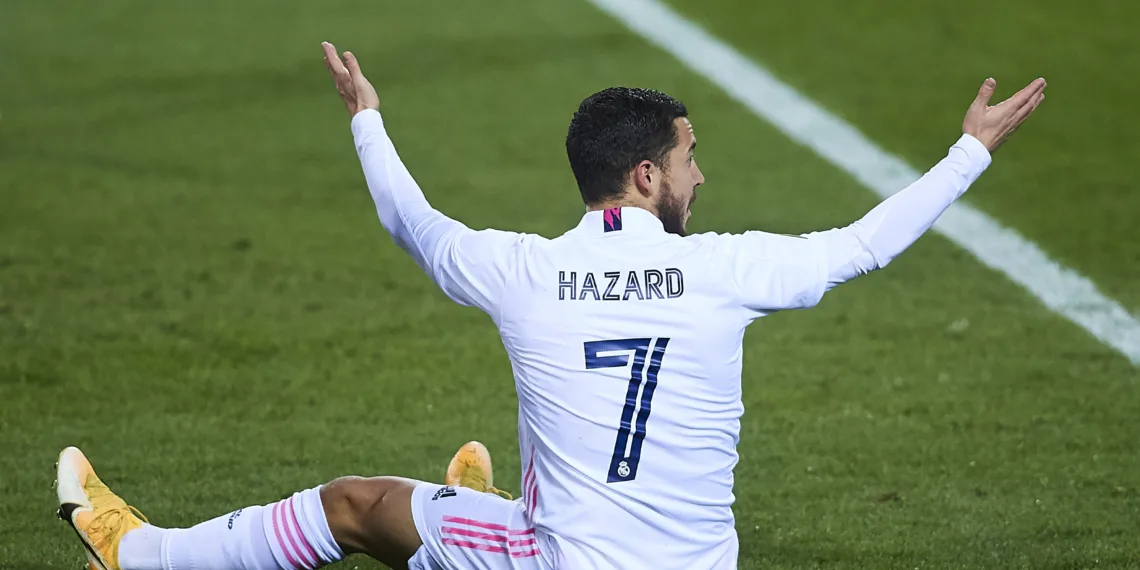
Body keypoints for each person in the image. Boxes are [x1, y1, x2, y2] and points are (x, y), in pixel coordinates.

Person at [56, 41, 1046, 570]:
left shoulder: (521, 269)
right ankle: (485, 520)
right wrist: (971, 150)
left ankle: (137, 555)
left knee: (355, 505)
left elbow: (415, 224)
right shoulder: (728, 270)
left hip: (557, 566)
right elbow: (864, 246)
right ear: (647, 174)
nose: (703, 177)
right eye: (691, 159)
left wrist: (369, 120)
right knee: (479, 516)